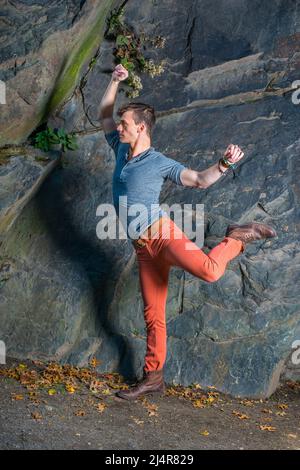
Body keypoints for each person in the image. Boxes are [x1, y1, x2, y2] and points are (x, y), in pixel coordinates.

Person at [99, 64, 277, 400]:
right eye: (120, 124)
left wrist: (225, 164)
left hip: (162, 236)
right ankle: (153, 378)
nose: (118, 127)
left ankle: (236, 237)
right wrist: (114, 81)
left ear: (140, 128)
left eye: (125, 124)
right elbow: (105, 114)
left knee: (210, 271)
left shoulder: (159, 162)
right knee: (154, 315)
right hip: (142, 248)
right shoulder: (121, 147)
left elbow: (198, 180)